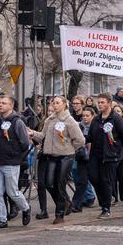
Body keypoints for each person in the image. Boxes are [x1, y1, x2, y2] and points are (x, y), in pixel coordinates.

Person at [29, 96, 85, 224]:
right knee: (48, 183)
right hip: (51, 156)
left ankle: (59, 214)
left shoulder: (69, 120)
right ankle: (65, 201)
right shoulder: (50, 119)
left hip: (66, 156)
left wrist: (70, 148)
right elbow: (42, 136)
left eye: (58, 103)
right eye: (53, 103)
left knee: (60, 183)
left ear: (65, 104)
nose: (55, 105)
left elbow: (80, 140)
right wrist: (32, 133)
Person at [0, 95, 32, 230]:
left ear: (11, 106)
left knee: (12, 192)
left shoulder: (17, 122)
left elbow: (24, 143)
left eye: (3, 103)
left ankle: (25, 208)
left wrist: (14, 153)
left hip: (11, 162)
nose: (0, 105)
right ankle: (2, 219)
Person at [87, 93, 123, 219]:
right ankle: (104, 201)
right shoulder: (96, 119)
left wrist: (117, 150)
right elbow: (90, 136)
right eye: (98, 102)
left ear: (109, 104)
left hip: (110, 156)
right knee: (93, 177)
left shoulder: (116, 118)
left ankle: (106, 208)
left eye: (102, 102)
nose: (99, 104)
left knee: (106, 180)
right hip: (96, 154)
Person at [71, 106, 97, 212]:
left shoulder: (95, 126)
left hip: (92, 156)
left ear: (92, 116)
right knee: (79, 178)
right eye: (83, 116)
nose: (85, 118)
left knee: (90, 180)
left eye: (87, 116)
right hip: (80, 155)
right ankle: (79, 202)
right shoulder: (78, 126)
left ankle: (89, 198)